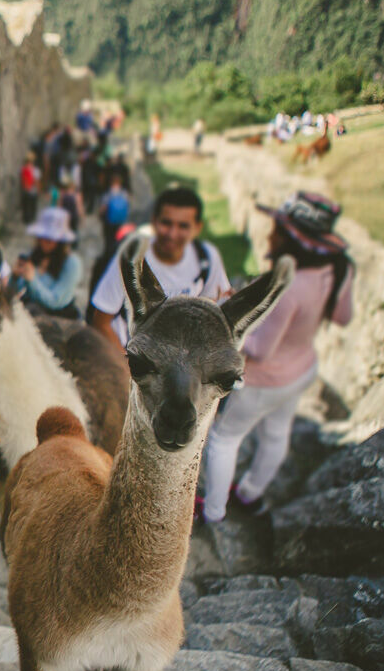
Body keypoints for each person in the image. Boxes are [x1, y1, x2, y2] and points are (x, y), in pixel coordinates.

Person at [200, 193, 355, 523]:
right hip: (301, 369)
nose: (270, 234)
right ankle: (251, 492)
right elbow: (343, 317)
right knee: (276, 433)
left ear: (293, 239)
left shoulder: (290, 288)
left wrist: (228, 325)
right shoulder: (340, 269)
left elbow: (260, 350)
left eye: (278, 229)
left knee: (223, 439)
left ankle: (213, 511)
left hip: (263, 380)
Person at [89, 186, 231, 353]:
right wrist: (128, 369)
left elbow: (217, 313)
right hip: (129, 355)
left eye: (183, 226)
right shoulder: (132, 258)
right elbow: (101, 321)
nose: (172, 234)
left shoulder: (206, 259)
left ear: (197, 228)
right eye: (166, 223)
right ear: (154, 221)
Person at [13, 207, 82, 318]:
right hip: (31, 312)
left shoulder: (71, 263)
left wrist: (32, 280)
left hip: (58, 318)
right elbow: (17, 292)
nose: (43, 243)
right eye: (41, 238)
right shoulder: (35, 255)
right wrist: (15, 277)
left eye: (49, 239)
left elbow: (55, 301)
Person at [19, 150, 40, 225]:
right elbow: (36, 181)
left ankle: (26, 219)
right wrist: (38, 190)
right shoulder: (35, 170)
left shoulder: (22, 169)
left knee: (26, 205)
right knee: (32, 205)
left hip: (25, 190)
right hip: (32, 190)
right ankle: (32, 218)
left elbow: (21, 180)